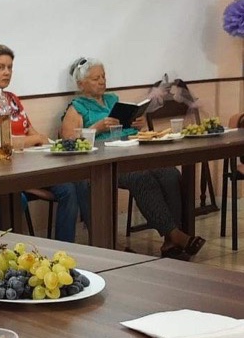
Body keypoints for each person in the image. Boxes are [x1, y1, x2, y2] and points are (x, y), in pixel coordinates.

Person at [61, 57, 206, 259]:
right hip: (107, 163)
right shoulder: (76, 108)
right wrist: (97, 128)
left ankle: (170, 243)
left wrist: (138, 123)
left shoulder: (113, 99)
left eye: (103, 76)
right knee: (141, 178)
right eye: (95, 78)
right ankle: (175, 234)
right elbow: (68, 140)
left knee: (170, 174)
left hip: (132, 152)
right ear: (81, 84)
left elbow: (128, 126)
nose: (102, 81)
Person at [0, 44, 83, 242]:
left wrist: (45, 142)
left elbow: (32, 131)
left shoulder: (12, 98)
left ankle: (69, 247)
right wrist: (34, 140)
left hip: (33, 163)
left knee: (73, 185)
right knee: (66, 190)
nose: (6, 72)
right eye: (0, 67)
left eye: (10, 67)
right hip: (7, 169)